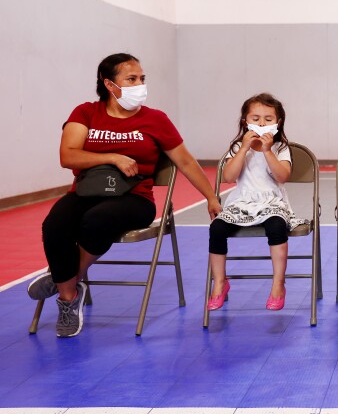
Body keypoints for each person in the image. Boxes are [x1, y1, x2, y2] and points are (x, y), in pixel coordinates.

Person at [27, 53, 222, 337]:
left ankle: (64, 285)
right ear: (109, 84)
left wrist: (211, 197)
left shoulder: (156, 119)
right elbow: (68, 156)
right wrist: (114, 157)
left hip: (134, 198)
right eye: (131, 79)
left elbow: (187, 162)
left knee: (96, 221)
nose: (139, 84)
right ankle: (68, 292)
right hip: (87, 191)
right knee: (55, 224)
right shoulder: (85, 113)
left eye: (142, 78)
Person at [207, 93, 307, 312]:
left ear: (278, 123)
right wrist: (243, 149)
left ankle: (278, 284)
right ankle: (220, 282)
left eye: (268, 119)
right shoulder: (236, 147)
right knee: (217, 228)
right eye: (256, 118)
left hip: (272, 202)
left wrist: (267, 151)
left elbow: (282, 176)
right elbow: (229, 177)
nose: (261, 123)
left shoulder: (281, 148)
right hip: (242, 203)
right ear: (245, 121)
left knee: (276, 226)